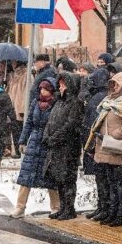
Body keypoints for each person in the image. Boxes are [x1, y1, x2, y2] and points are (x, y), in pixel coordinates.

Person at [89, 70, 122, 227]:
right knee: (111, 181)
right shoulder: (111, 99)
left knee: (120, 182)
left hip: (119, 147)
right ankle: (113, 211)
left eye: (117, 83)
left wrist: (115, 135)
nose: (114, 87)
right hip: (106, 145)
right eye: (112, 83)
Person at [11, 79, 59, 218]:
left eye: (46, 89)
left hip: (48, 143)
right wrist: (23, 140)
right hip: (34, 143)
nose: (42, 92)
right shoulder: (35, 103)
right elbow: (29, 123)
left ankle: (56, 207)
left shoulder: (56, 104)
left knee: (50, 177)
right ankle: (20, 207)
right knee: (26, 176)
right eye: (41, 89)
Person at [42, 73, 85, 220]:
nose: (60, 87)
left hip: (68, 147)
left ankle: (69, 208)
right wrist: (47, 135)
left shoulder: (75, 103)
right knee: (59, 177)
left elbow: (70, 125)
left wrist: (54, 138)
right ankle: (63, 207)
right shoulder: (59, 102)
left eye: (62, 84)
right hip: (56, 146)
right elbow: (50, 121)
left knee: (67, 177)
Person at [82, 68, 112, 221]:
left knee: (102, 177)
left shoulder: (97, 98)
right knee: (103, 177)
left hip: (97, 142)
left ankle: (104, 206)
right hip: (100, 142)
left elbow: (92, 123)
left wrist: (90, 145)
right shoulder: (102, 96)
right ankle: (104, 206)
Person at [7, 60, 28, 158]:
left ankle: (21, 151)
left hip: (20, 108)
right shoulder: (14, 75)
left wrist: (23, 109)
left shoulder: (26, 75)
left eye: (14, 63)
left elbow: (26, 93)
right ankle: (17, 151)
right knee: (14, 130)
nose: (12, 64)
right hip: (13, 107)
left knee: (20, 130)